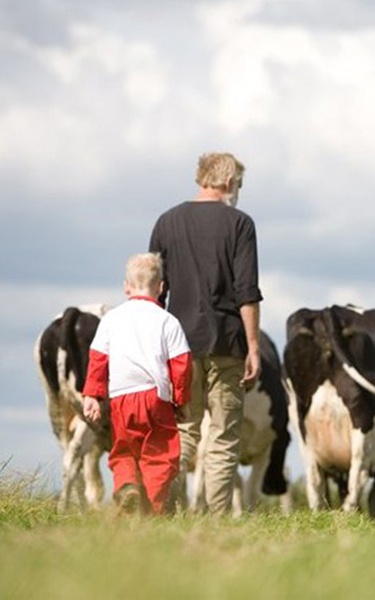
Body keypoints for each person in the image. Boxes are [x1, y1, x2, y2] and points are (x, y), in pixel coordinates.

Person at [148, 152, 262, 516]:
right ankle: (217, 519)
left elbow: (154, 293)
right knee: (224, 436)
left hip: (178, 344)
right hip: (227, 343)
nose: (238, 191)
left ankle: (167, 510)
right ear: (228, 182)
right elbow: (246, 292)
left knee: (183, 431)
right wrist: (254, 347)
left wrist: (155, 347)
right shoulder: (240, 224)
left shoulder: (166, 222)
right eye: (239, 184)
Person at [82, 252, 192, 516]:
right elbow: (182, 364)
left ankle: (127, 486)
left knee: (123, 450)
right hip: (155, 398)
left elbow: (98, 359)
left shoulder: (111, 319)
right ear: (161, 287)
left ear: (127, 286)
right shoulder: (168, 321)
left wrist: (92, 395)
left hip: (121, 397)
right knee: (160, 455)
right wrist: (181, 400)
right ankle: (151, 510)